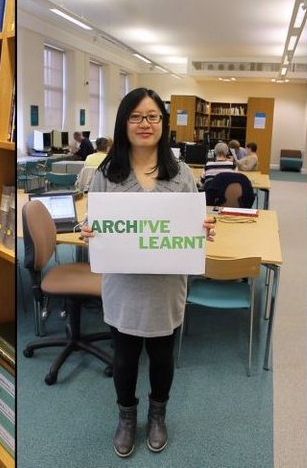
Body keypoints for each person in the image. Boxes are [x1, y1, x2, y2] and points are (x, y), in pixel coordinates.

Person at [80, 88, 216, 457]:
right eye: (137, 116)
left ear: (163, 123)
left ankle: (158, 414)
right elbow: (93, 223)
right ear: (124, 122)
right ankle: (126, 417)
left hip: (166, 287)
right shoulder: (106, 173)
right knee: (123, 357)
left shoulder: (181, 173)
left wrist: (203, 229)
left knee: (161, 356)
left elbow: (192, 224)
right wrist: (88, 229)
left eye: (153, 116)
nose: (145, 123)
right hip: (123, 287)